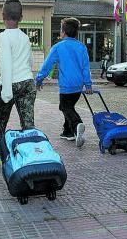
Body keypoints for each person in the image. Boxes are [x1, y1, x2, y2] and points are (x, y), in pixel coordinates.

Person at [0, 0, 36, 164]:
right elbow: (29, 62)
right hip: (27, 82)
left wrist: (6, 93)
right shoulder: (25, 37)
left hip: (10, 83)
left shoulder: (4, 36)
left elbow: (6, 64)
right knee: (28, 123)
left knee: (1, 120)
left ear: (2, 16)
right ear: (21, 17)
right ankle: (31, 154)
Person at [35, 17, 93, 147]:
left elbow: (47, 65)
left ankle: (78, 124)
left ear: (63, 32)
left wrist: (39, 79)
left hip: (66, 85)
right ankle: (68, 132)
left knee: (65, 107)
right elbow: (85, 67)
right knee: (69, 107)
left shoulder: (58, 47)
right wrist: (88, 84)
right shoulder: (81, 47)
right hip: (78, 86)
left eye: (60, 30)